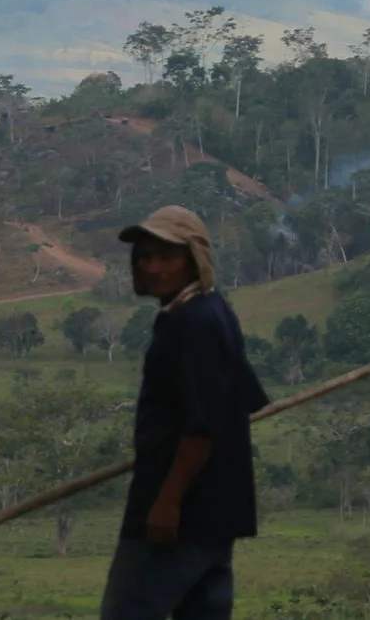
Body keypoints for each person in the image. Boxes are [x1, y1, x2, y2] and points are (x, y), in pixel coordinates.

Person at [99, 205, 270, 620]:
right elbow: (243, 398)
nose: (153, 267)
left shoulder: (191, 323)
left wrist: (168, 502)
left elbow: (201, 427)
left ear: (195, 260)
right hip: (216, 510)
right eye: (144, 256)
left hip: (179, 515)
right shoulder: (212, 310)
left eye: (167, 256)